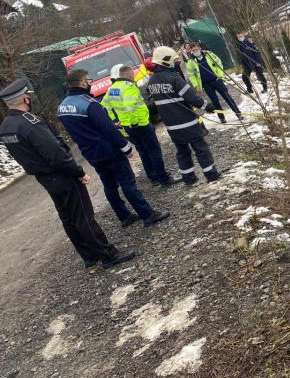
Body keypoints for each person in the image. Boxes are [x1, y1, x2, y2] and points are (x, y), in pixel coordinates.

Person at [0, 79, 136, 269]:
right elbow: (55, 153)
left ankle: (88, 256)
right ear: (25, 98)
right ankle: (108, 255)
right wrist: (78, 172)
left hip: (45, 177)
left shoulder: (6, 126)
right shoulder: (30, 123)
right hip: (61, 174)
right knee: (83, 216)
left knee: (68, 217)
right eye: (28, 95)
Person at [58, 70, 170, 228]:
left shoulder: (63, 107)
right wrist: (125, 147)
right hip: (109, 151)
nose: (89, 83)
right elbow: (107, 129)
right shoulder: (89, 103)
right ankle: (147, 214)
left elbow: (84, 129)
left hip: (91, 153)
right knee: (128, 183)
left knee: (109, 185)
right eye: (88, 80)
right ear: (83, 82)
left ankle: (124, 216)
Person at [148, 46, 221, 185]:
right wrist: (208, 106)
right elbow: (192, 98)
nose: (177, 62)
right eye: (174, 60)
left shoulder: (152, 81)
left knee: (182, 151)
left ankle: (188, 178)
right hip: (187, 122)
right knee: (201, 148)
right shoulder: (174, 78)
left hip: (171, 126)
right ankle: (211, 174)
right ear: (166, 61)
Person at [102, 64, 177, 187]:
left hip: (127, 127)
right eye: (133, 74)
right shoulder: (129, 87)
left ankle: (153, 178)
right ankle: (163, 178)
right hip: (140, 125)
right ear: (128, 74)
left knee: (143, 152)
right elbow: (129, 107)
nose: (134, 76)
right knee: (154, 151)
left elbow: (105, 107)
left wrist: (115, 120)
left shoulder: (112, 88)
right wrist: (135, 122)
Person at [186, 42, 242, 124]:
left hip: (217, 80)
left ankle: (238, 113)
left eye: (196, 49)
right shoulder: (191, 62)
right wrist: (196, 85)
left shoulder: (209, 54)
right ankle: (222, 117)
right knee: (215, 102)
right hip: (206, 84)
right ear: (191, 51)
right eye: (193, 50)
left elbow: (218, 63)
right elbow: (191, 75)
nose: (195, 51)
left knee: (227, 97)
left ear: (200, 48)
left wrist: (219, 75)